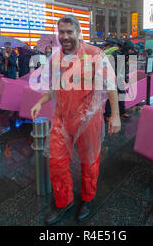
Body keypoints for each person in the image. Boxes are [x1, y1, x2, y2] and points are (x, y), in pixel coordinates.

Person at [30, 15, 121, 225]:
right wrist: (39, 102)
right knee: (57, 163)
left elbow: (110, 85)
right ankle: (64, 202)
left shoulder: (94, 54)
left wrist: (115, 115)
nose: (65, 36)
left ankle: (87, 199)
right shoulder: (55, 58)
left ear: (78, 32)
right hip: (62, 119)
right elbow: (54, 89)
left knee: (89, 163)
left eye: (69, 32)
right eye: (61, 32)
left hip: (89, 119)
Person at [105, 40, 137, 120]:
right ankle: (107, 115)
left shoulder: (125, 55)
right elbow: (111, 67)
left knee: (122, 94)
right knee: (112, 96)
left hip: (119, 78)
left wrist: (125, 76)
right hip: (112, 78)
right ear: (127, 48)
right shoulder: (116, 54)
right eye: (131, 49)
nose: (131, 51)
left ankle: (122, 112)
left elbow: (124, 67)